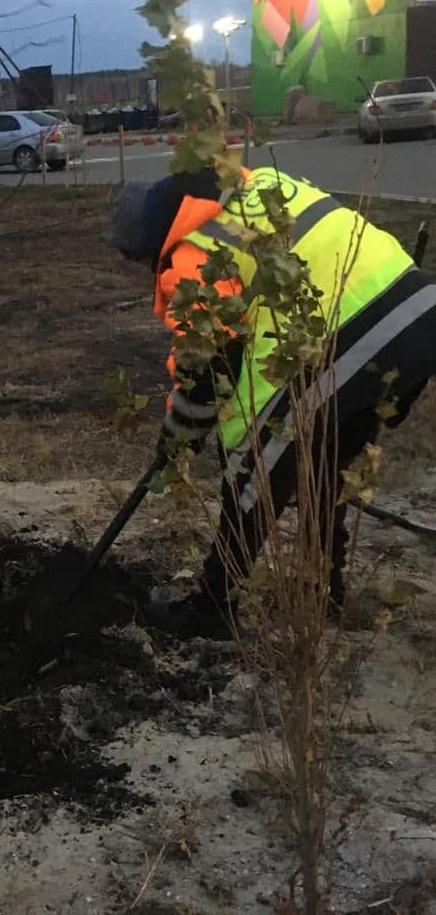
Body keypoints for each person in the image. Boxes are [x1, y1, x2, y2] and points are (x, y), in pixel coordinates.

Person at [111, 167, 436, 636]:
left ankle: (213, 610)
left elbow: (210, 367)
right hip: (415, 311)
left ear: (149, 244)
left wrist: (177, 440)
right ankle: (325, 593)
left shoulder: (194, 252)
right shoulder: (255, 185)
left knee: (252, 469)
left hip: (351, 331)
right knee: (324, 465)